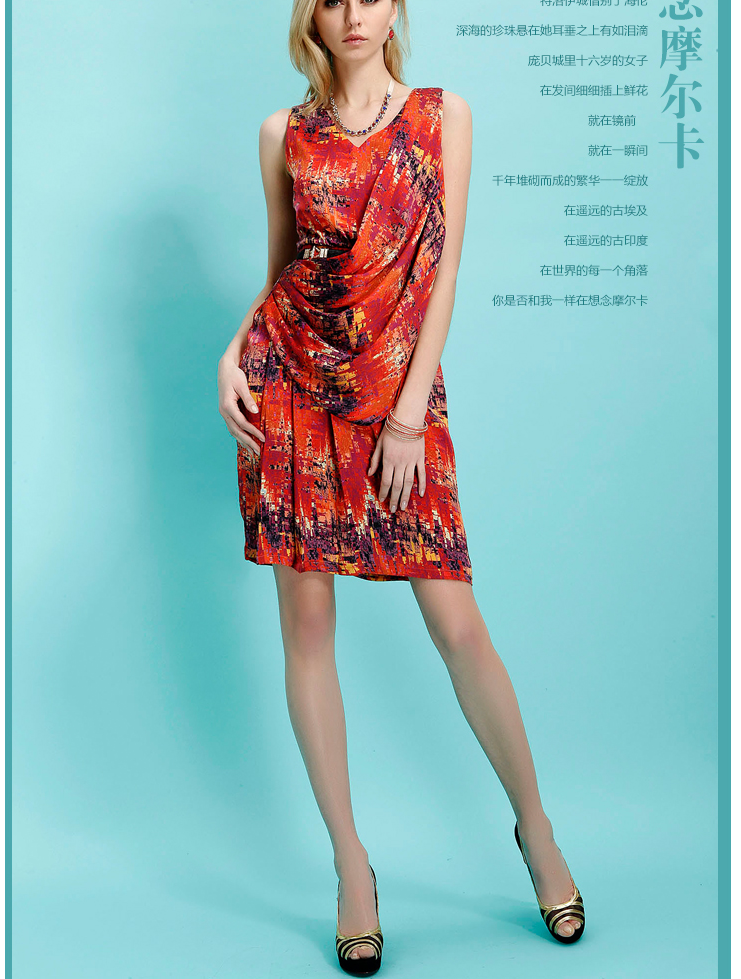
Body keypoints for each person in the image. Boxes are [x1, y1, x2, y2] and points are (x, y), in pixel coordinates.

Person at [217, 1, 585, 973]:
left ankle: (537, 830)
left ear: (397, 9)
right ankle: (352, 868)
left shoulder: (441, 114)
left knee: (457, 625)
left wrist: (411, 414)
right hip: (292, 392)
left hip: (397, 401)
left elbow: (446, 266)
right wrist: (233, 351)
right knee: (307, 629)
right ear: (313, 12)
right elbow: (282, 270)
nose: (354, 14)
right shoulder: (283, 133)